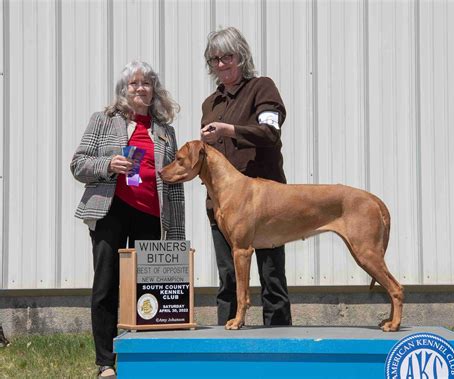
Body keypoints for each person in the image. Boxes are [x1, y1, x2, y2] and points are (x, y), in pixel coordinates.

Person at [71, 61, 185, 378]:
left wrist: (176, 232)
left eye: (146, 83)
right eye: (133, 83)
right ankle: (106, 362)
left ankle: (142, 357)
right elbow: (78, 164)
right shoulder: (103, 120)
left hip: (149, 215)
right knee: (106, 285)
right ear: (124, 89)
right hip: (110, 211)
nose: (140, 88)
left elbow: (174, 186)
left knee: (146, 288)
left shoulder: (165, 132)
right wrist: (109, 164)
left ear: (154, 90)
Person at [200, 27, 292, 326]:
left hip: (265, 204)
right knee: (227, 278)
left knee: (272, 277)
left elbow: (270, 132)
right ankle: (227, 349)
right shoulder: (210, 103)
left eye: (228, 56)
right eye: (215, 59)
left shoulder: (262, 88)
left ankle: (280, 346)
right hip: (222, 205)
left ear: (242, 56)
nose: (222, 64)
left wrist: (230, 131)